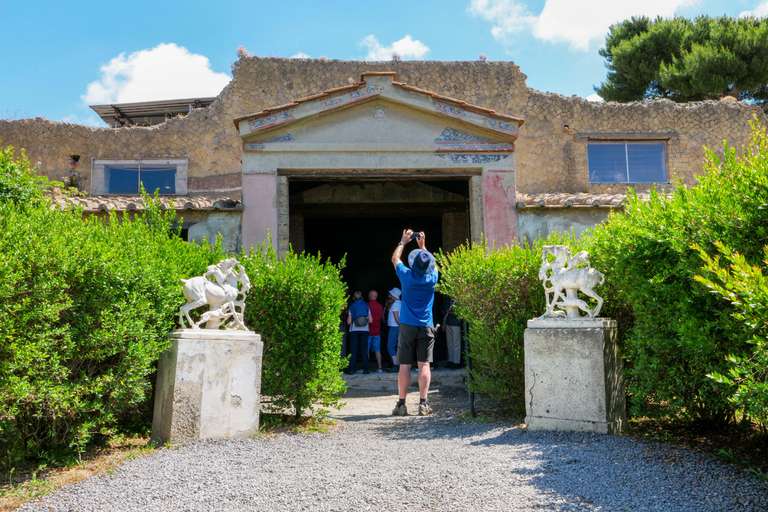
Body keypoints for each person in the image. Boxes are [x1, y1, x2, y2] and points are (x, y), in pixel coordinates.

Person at [390, 229, 439, 416]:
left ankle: (401, 405)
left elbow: (395, 258)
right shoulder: (432, 278)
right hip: (426, 324)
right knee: (424, 364)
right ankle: (423, 404)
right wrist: (422, 247)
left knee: (404, 365)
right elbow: (432, 265)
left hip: (407, 325)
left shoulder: (407, 277)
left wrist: (403, 241)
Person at [345, 291, 372, 375]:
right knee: (364, 349)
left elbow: (349, 322)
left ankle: (351, 369)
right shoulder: (366, 305)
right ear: (362, 297)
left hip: (354, 330)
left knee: (353, 350)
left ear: (353, 298)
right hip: (365, 330)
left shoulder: (352, 306)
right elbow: (371, 320)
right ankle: (365, 369)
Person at [441, 295, 463, 369]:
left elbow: (461, 314)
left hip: (456, 323)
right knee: (449, 343)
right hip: (448, 322)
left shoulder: (459, 300)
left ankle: (456, 362)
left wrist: (450, 312)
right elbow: (443, 308)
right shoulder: (447, 299)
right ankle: (450, 360)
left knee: (456, 343)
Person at [367, 290, 384, 373]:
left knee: (366, 349)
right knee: (377, 349)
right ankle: (380, 367)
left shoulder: (367, 305)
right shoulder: (380, 306)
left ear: (369, 296)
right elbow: (381, 317)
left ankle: (366, 367)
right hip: (377, 330)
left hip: (368, 330)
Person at [385, 288, 402, 373]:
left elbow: (396, 318)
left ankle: (395, 364)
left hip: (394, 327)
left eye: (391, 294)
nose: (390, 296)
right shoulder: (401, 303)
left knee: (390, 346)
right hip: (398, 327)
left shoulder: (395, 304)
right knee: (396, 346)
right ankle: (398, 363)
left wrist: (399, 326)